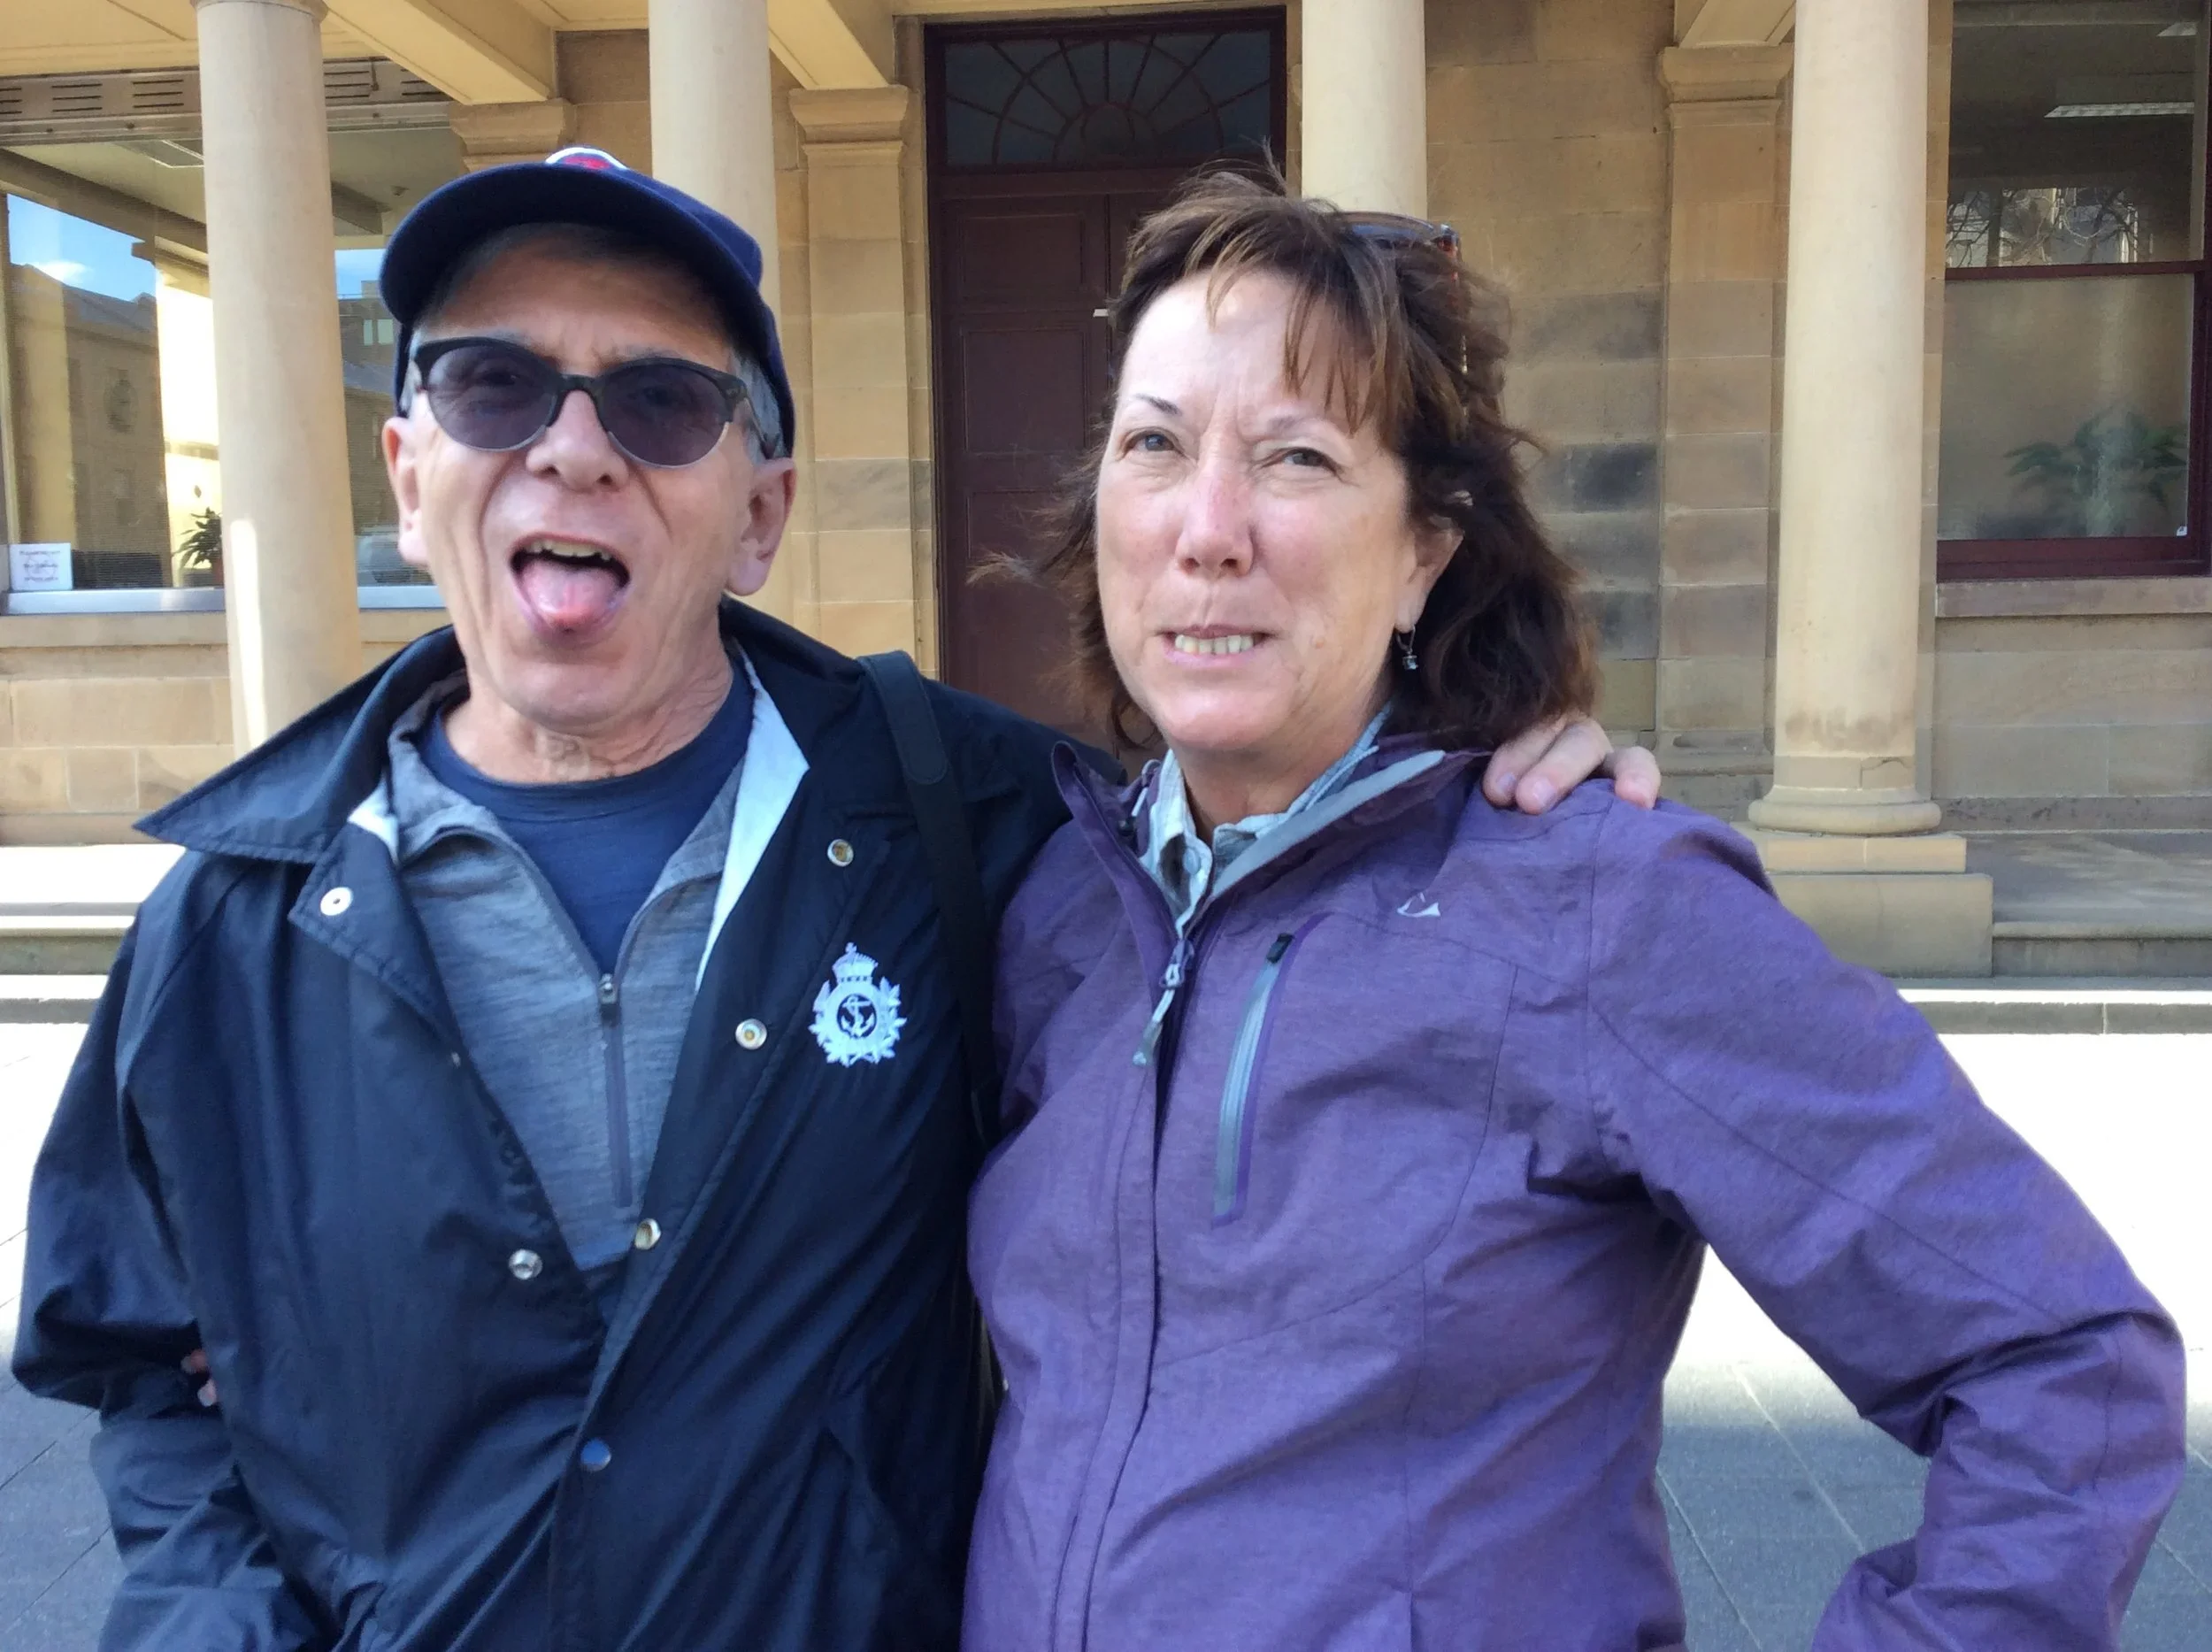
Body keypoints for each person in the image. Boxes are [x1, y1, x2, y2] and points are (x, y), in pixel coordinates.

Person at [11, 151, 1652, 1650]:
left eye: (660, 403)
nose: (572, 445)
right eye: (496, 383)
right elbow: (141, 1364)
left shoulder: (980, 819)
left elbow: (1274, 838)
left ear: (760, 516)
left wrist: (1482, 763)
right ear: (408, 465)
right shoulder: (233, 920)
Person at [963, 171, 2187, 1652]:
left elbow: (2065, 1362)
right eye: (1155, 443)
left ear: (1426, 549)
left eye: (1294, 458)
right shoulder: (1059, 911)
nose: (1208, 526)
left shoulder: (1599, 905)